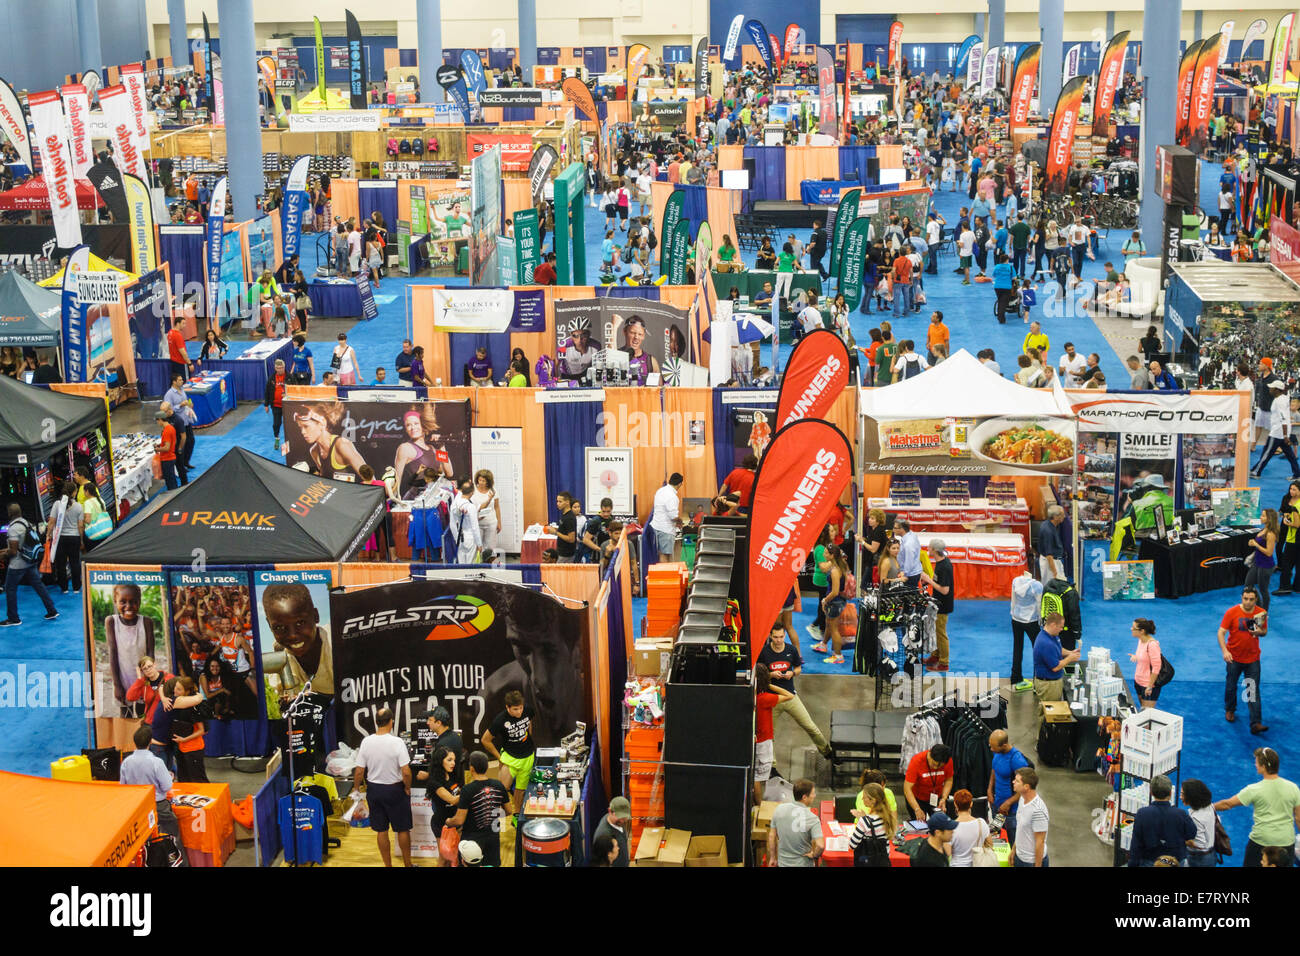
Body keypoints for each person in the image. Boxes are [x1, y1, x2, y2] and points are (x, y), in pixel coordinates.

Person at [1213, 747, 1300, 867]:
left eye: (1257, 762)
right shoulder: (1293, 788)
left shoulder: (1254, 789)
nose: (1255, 764)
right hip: (1286, 842)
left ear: (1263, 767)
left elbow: (1227, 804)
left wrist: (1209, 807)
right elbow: (1298, 818)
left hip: (1261, 842)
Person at [757, 621, 832, 758]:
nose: (779, 640)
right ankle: (771, 766)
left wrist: (793, 673)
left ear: (785, 635)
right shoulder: (764, 652)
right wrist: (770, 675)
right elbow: (759, 673)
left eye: (781, 637)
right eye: (775, 637)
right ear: (770, 636)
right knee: (768, 736)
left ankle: (828, 752)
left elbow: (798, 668)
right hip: (773, 700)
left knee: (810, 727)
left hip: (791, 696)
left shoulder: (791, 650)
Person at [352, 707, 413, 867]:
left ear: (376, 723)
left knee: (381, 830)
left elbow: (359, 771)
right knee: (402, 829)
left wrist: (356, 789)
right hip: (395, 791)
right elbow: (406, 772)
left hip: (374, 790)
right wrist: (407, 788)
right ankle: (408, 864)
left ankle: (388, 865)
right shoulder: (397, 742)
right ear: (391, 722)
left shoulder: (366, 741)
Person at [120, 724, 188, 866]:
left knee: (143, 841)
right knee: (172, 836)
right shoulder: (156, 762)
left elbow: (123, 786)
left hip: (136, 807)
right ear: (150, 741)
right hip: (158, 806)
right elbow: (167, 786)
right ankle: (176, 863)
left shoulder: (126, 762)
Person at [1219, 586, 1269, 735]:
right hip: (1234, 657)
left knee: (1252, 689)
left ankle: (1256, 723)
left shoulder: (1261, 613)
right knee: (1231, 686)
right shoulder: (1231, 612)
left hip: (1253, 658)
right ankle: (1230, 709)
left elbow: (1264, 631)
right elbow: (1221, 632)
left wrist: (1259, 632)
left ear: (1256, 600)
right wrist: (1225, 651)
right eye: (1245, 599)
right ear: (1242, 598)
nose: (1248, 602)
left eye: (1251, 599)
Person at [447, 751, 511, 867]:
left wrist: (448, 821)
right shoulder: (498, 785)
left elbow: (459, 820)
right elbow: (509, 811)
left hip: (472, 841)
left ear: (471, 769)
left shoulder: (467, 790)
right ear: (486, 767)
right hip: (493, 836)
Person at [480, 690, 535, 813]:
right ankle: (496, 821)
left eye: (520, 708)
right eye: (515, 709)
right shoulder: (500, 720)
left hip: (528, 756)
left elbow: (529, 722)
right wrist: (499, 758)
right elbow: (485, 740)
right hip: (510, 758)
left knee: (520, 791)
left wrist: (528, 737)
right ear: (507, 707)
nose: (519, 711)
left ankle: (516, 816)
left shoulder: (528, 710)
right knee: (502, 790)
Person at [1127, 774, 1196, 867]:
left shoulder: (1142, 814)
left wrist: (1132, 864)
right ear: (1171, 793)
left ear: (1151, 792)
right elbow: (1192, 833)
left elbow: (1136, 844)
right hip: (1174, 862)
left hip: (1150, 860)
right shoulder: (1180, 814)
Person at [753, 662, 794, 802]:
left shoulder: (749, 696)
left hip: (753, 739)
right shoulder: (765, 699)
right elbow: (789, 695)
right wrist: (767, 685)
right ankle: (759, 807)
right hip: (763, 741)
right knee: (757, 778)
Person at [768, 778, 823, 867]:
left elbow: (772, 836)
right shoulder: (813, 819)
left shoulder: (779, 809)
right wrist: (814, 855)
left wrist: (772, 858)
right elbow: (820, 845)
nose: (815, 795)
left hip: (783, 863)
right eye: (813, 793)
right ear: (804, 797)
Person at [1032, 612, 1079, 715]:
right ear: (1053, 625)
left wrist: (1070, 653)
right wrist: (1070, 658)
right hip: (1048, 686)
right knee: (1048, 714)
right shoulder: (1045, 643)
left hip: (1052, 682)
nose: (1062, 629)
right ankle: (1044, 731)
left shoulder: (1052, 635)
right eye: (1060, 627)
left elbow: (1058, 649)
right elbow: (1055, 667)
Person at [1252, 380, 1300, 478]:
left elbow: (1283, 419)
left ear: (1277, 390)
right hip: (1282, 432)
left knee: (1267, 452)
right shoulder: (1284, 398)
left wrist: (1285, 435)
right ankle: (1297, 474)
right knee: (1290, 455)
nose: (1270, 389)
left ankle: (1256, 472)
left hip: (1278, 432)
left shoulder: (1279, 401)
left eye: (1272, 388)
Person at [920, 539, 953, 671]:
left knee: (940, 632)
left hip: (943, 604)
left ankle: (944, 663)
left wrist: (928, 580)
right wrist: (928, 581)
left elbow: (945, 590)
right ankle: (936, 655)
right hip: (938, 602)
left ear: (934, 549)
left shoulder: (944, 566)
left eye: (929, 547)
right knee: (935, 630)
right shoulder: (941, 563)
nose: (927, 548)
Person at [48, 481, 83, 595]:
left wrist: (48, 535)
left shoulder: (57, 504)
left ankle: (64, 588)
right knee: (75, 562)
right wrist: (81, 539)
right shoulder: (78, 506)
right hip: (74, 537)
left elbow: (51, 522)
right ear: (74, 492)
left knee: (61, 564)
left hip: (60, 538)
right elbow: (80, 525)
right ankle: (77, 587)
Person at [904, 744, 954, 821]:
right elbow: (907, 788)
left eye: (940, 767)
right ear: (929, 754)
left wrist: (944, 798)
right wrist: (917, 809)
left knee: (940, 823)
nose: (935, 767)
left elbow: (949, 780)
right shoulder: (917, 761)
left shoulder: (948, 761)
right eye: (933, 764)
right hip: (917, 798)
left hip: (937, 797)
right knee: (920, 826)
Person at [1012, 766, 1050, 867]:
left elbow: (1040, 842)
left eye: (1017, 781)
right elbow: (1021, 829)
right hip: (1019, 857)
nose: (1013, 782)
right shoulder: (1022, 799)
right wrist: (1014, 851)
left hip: (1031, 862)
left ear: (1026, 787)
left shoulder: (1038, 811)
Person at [1245, 509, 1280, 609]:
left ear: (1269, 519)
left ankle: (1264, 612)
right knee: (1248, 585)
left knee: (1263, 590)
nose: (1261, 517)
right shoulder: (1264, 529)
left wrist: (1256, 544)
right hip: (1257, 563)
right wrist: (1253, 542)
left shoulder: (1270, 534)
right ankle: (1259, 607)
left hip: (1266, 566)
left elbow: (1269, 553)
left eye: (1263, 516)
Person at [950, 789, 993, 867]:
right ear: (971, 804)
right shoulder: (981, 823)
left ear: (955, 804)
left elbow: (947, 851)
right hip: (977, 863)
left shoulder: (950, 827)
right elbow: (990, 844)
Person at [1127, 617, 1164, 709]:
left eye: (1133, 627)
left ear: (1142, 631)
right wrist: (1135, 657)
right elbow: (1143, 656)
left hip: (1148, 685)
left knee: (1147, 716)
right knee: (1143, 709)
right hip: (1138, 682)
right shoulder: (1141, 640)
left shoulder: (1152, 645)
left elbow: (1156, 667)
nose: (1131, 629)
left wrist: (1149, 686)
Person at [1181, 779, 1218, 868]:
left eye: (1182, 794)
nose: (1180, 797)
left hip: (1198, 859)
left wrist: (1181, 840)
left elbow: (1199, 844)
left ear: (1191, 796)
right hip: (1210, 854)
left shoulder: (1195, 818)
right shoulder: (1209, 807)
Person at [649, 473, 683, 562]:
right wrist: (681, 521)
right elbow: (673, 517)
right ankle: (664, 575)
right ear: (680, 484)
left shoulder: (660, 491)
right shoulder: (672, 496)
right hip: (666, 530)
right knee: (665, 555)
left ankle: (663, 573)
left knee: (660, 553)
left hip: (656, 526)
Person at [1275, 480, 1300, 595]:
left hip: (1294, 538)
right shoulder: (1286, 499)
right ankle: (1297, 587)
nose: (1292, 491)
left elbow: (1296, 525)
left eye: (1295, 489)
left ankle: (1285, 586)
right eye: (1291, 489)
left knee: (1287, 562)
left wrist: (1286, 521)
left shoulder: (1296, 507)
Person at [593, 796, 631, 867]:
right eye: (620, 817)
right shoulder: (604, 835)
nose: (623, 821)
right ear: (610, 811)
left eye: (624, 817)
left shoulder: (617, 822)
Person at [542, 490, 577, 563]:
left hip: (566, 554)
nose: (557, 504)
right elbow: (565, 530)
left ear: (567, 502)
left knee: (561, 573)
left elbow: (571, 539)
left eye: (560, 502)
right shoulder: (564, 514)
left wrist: (555, 532)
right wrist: (556, 529)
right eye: (557, 501)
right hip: (561, 551)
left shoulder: (569, 518)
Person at [263, 358, 289, 450]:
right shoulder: (271, 378)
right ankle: (277, 438)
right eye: (278, 368)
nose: (280, 370)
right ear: (275, 368)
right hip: (276, 405)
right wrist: (266, 405)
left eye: (281, 368)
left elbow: (295, 389)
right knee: (276, 424)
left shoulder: (289, 377)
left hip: (287, 406)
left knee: (289, 425)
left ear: (284, 367)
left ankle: (289, 441)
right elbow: (267, 391)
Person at [1037, 504, 1067, 582]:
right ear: (1055, 517)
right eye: (1062, 514)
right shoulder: (1048, 531)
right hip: (1050, 563)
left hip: (1055, 561)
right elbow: (1049, 555)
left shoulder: (1053, 525)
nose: (1064, 516)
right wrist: (1054, 572)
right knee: (1052, 587)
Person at [895, 517, 922, 586]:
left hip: (910, 575)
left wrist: (904, 574)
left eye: (895, 528)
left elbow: (909, 561)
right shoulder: (911, 534)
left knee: (909, 596)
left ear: (902, 529)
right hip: (913, 573)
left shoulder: (908, 543)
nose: (893, 530)